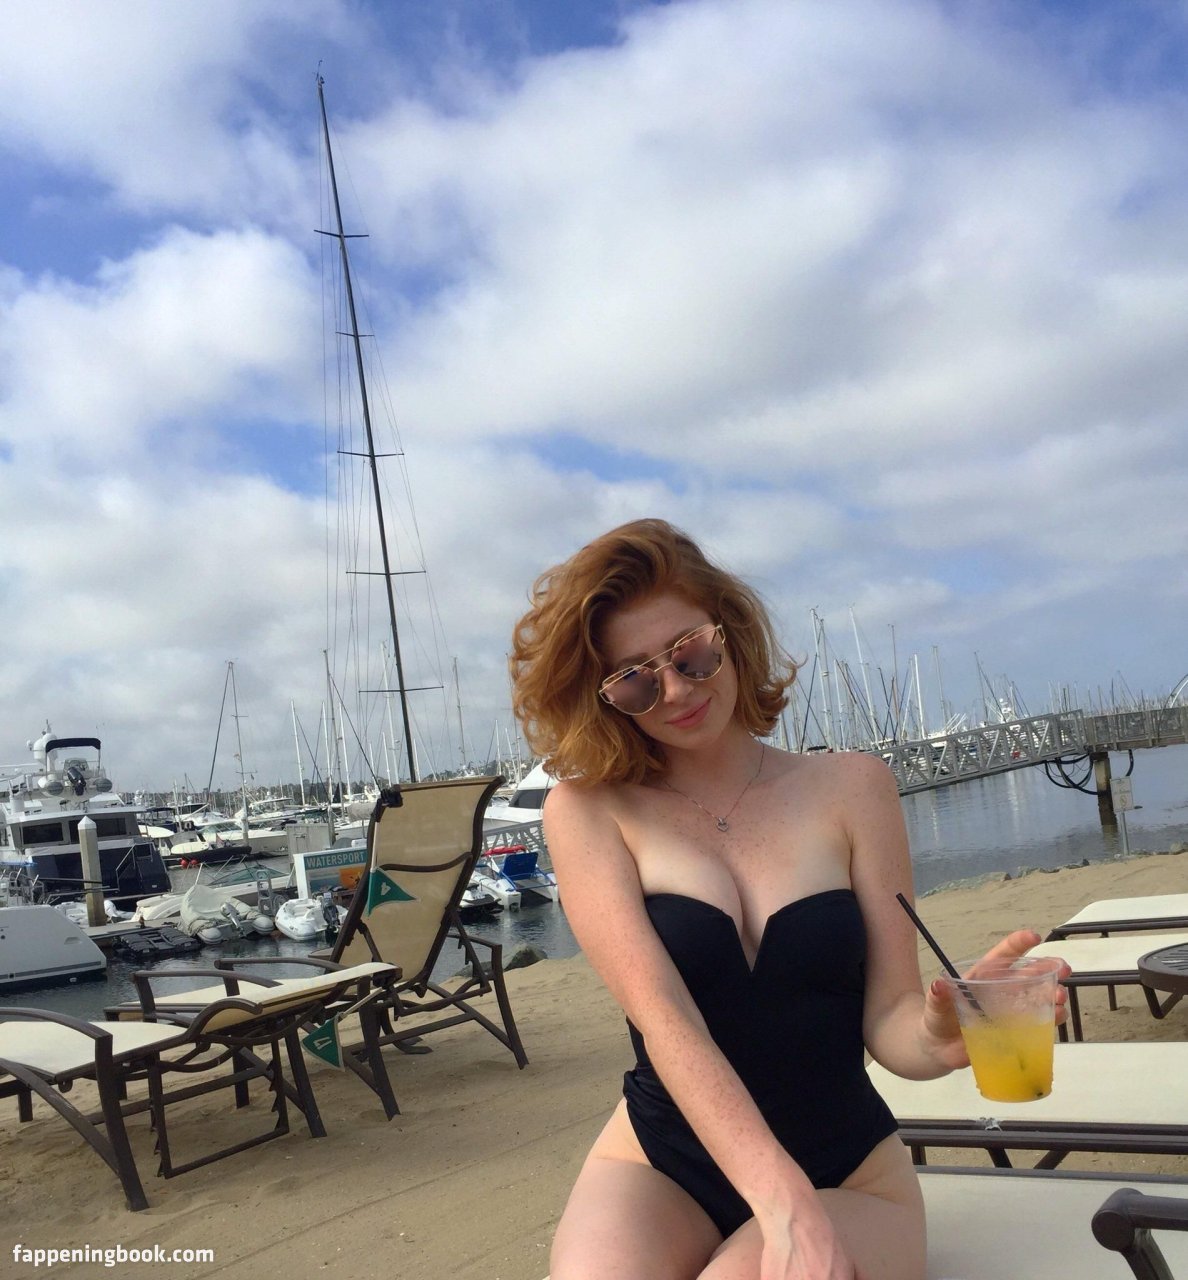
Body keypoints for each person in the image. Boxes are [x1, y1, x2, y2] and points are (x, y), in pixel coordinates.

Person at [510, 518, 1064, 1280]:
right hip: (661, 1163)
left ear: (728, 631)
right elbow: (667, 1024)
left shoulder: (854, 787)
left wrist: (936, 1036)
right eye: (636, 680)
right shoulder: (588, 813)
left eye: (690, 652)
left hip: (846, 1170)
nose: (677, 689)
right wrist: (781, 1205)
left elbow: (890, 1019)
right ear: (605, 699)